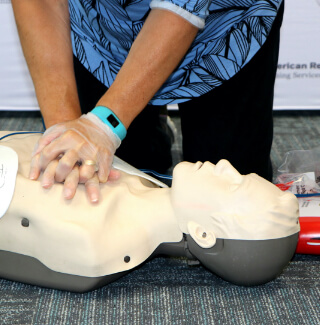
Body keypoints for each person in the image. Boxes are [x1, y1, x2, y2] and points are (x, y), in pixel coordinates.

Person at [11, 0, 285, 203]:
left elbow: (181, 7)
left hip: (224, 31)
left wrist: (103, 125)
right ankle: (152, 128)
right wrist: (67, 137)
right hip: (105, 27)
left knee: (231, 206)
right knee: (112, 189)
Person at [0, 132, 299, 292]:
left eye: (233, 185)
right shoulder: (144, 182)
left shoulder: (93, 243)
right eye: (240, 174)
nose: (225, 166)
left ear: (203, 234)